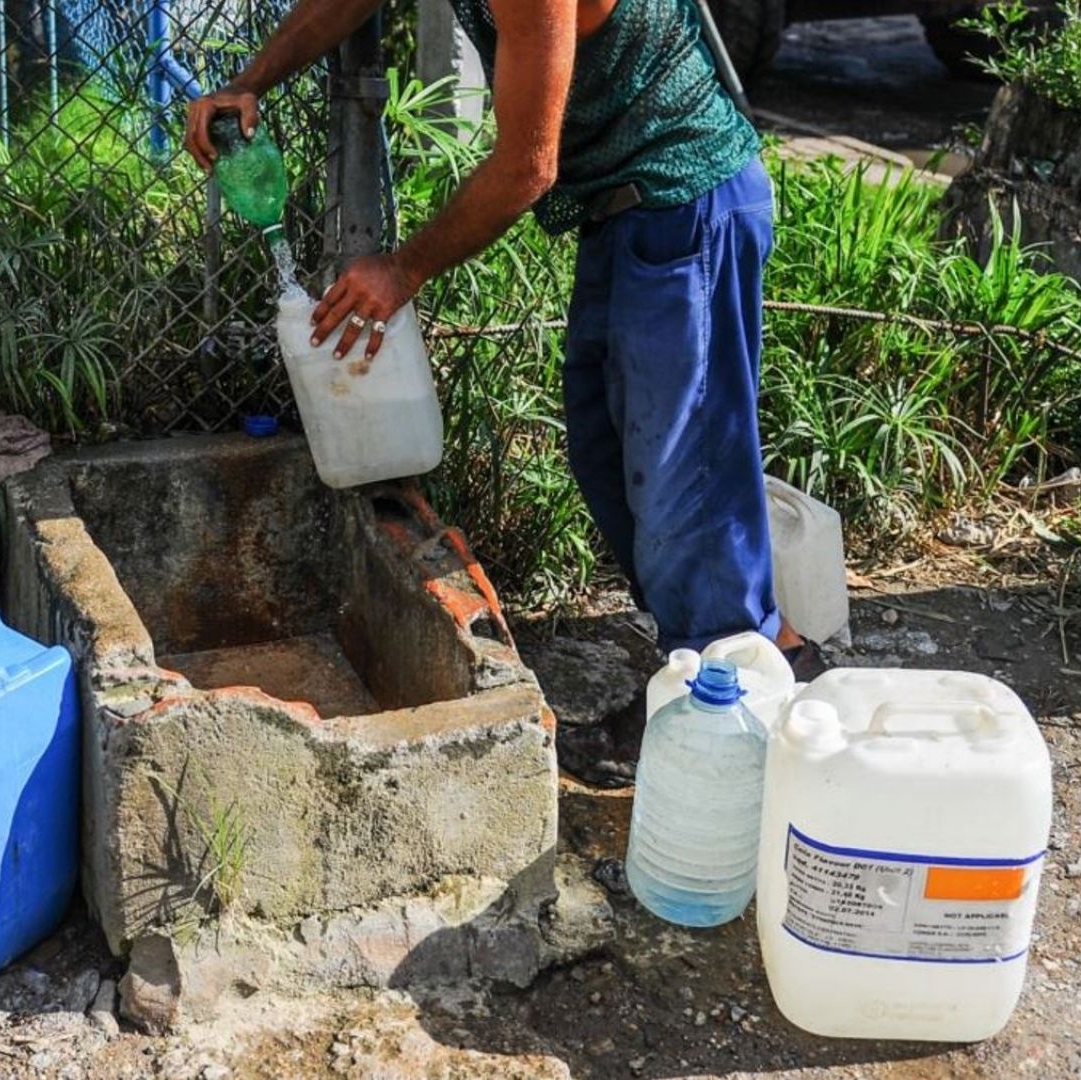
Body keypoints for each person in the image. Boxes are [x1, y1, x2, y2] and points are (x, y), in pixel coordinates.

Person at [183, 0, 828, 749]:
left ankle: (724, 702)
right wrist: (251, 80)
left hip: (687, 206)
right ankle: (740, 660)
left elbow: (528, 165)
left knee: (685, 484)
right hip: (625, 213)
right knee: (609, 458)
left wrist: (402, 270)